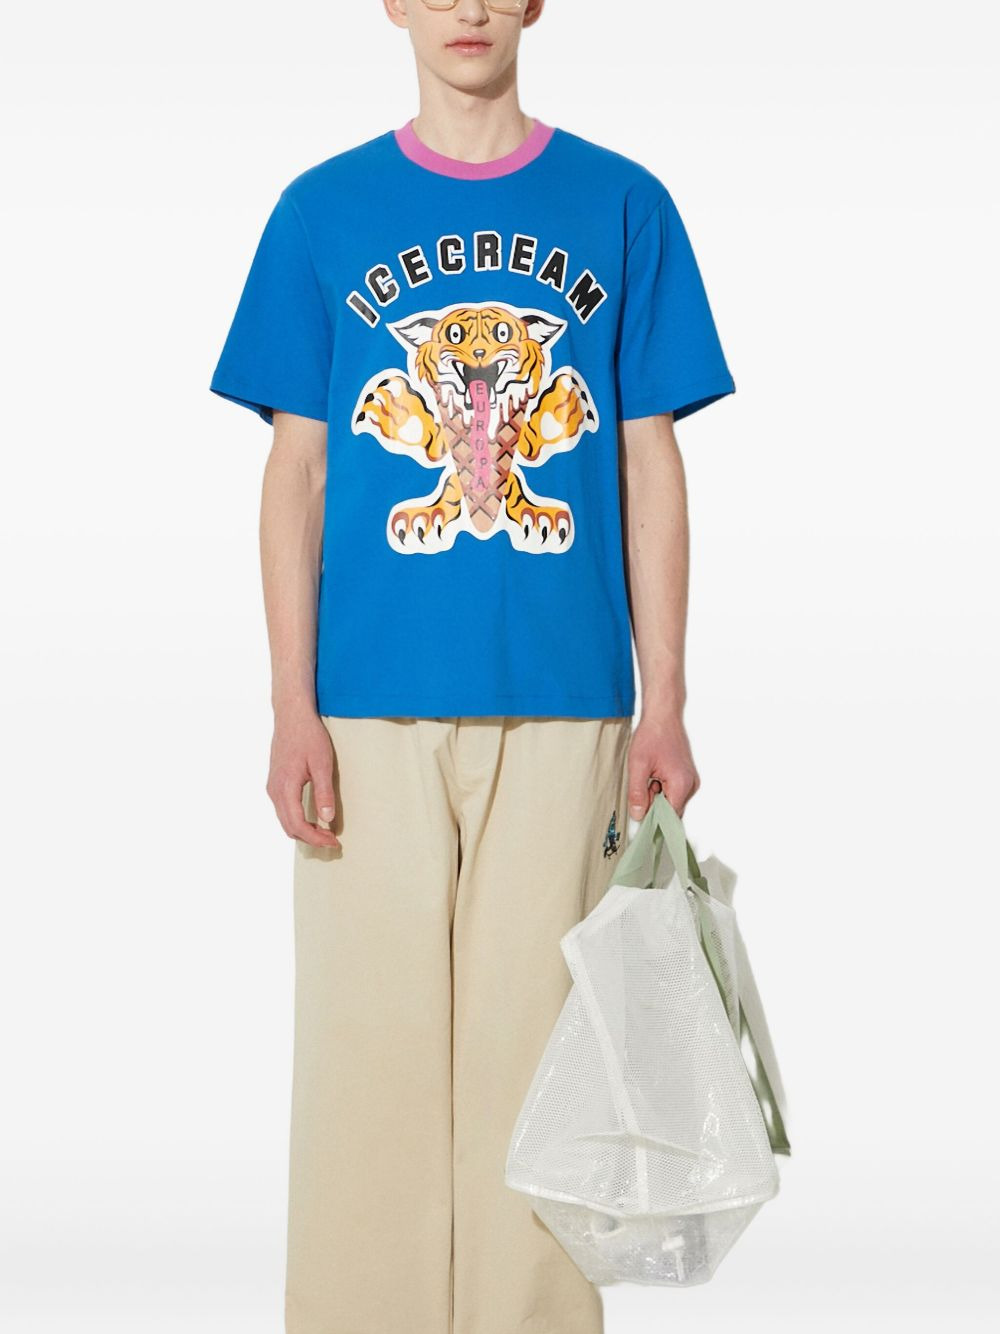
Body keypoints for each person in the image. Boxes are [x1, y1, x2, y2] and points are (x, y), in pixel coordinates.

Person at [208, 3, 734, 1329]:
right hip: (365, 710)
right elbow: (297, 473)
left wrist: (665, 699)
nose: (470, 6)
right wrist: (290, 706)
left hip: (569, 707)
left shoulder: (624, 205)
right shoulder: (321, 212)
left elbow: (648, 461)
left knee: (543, 1068)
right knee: (366, 1063)